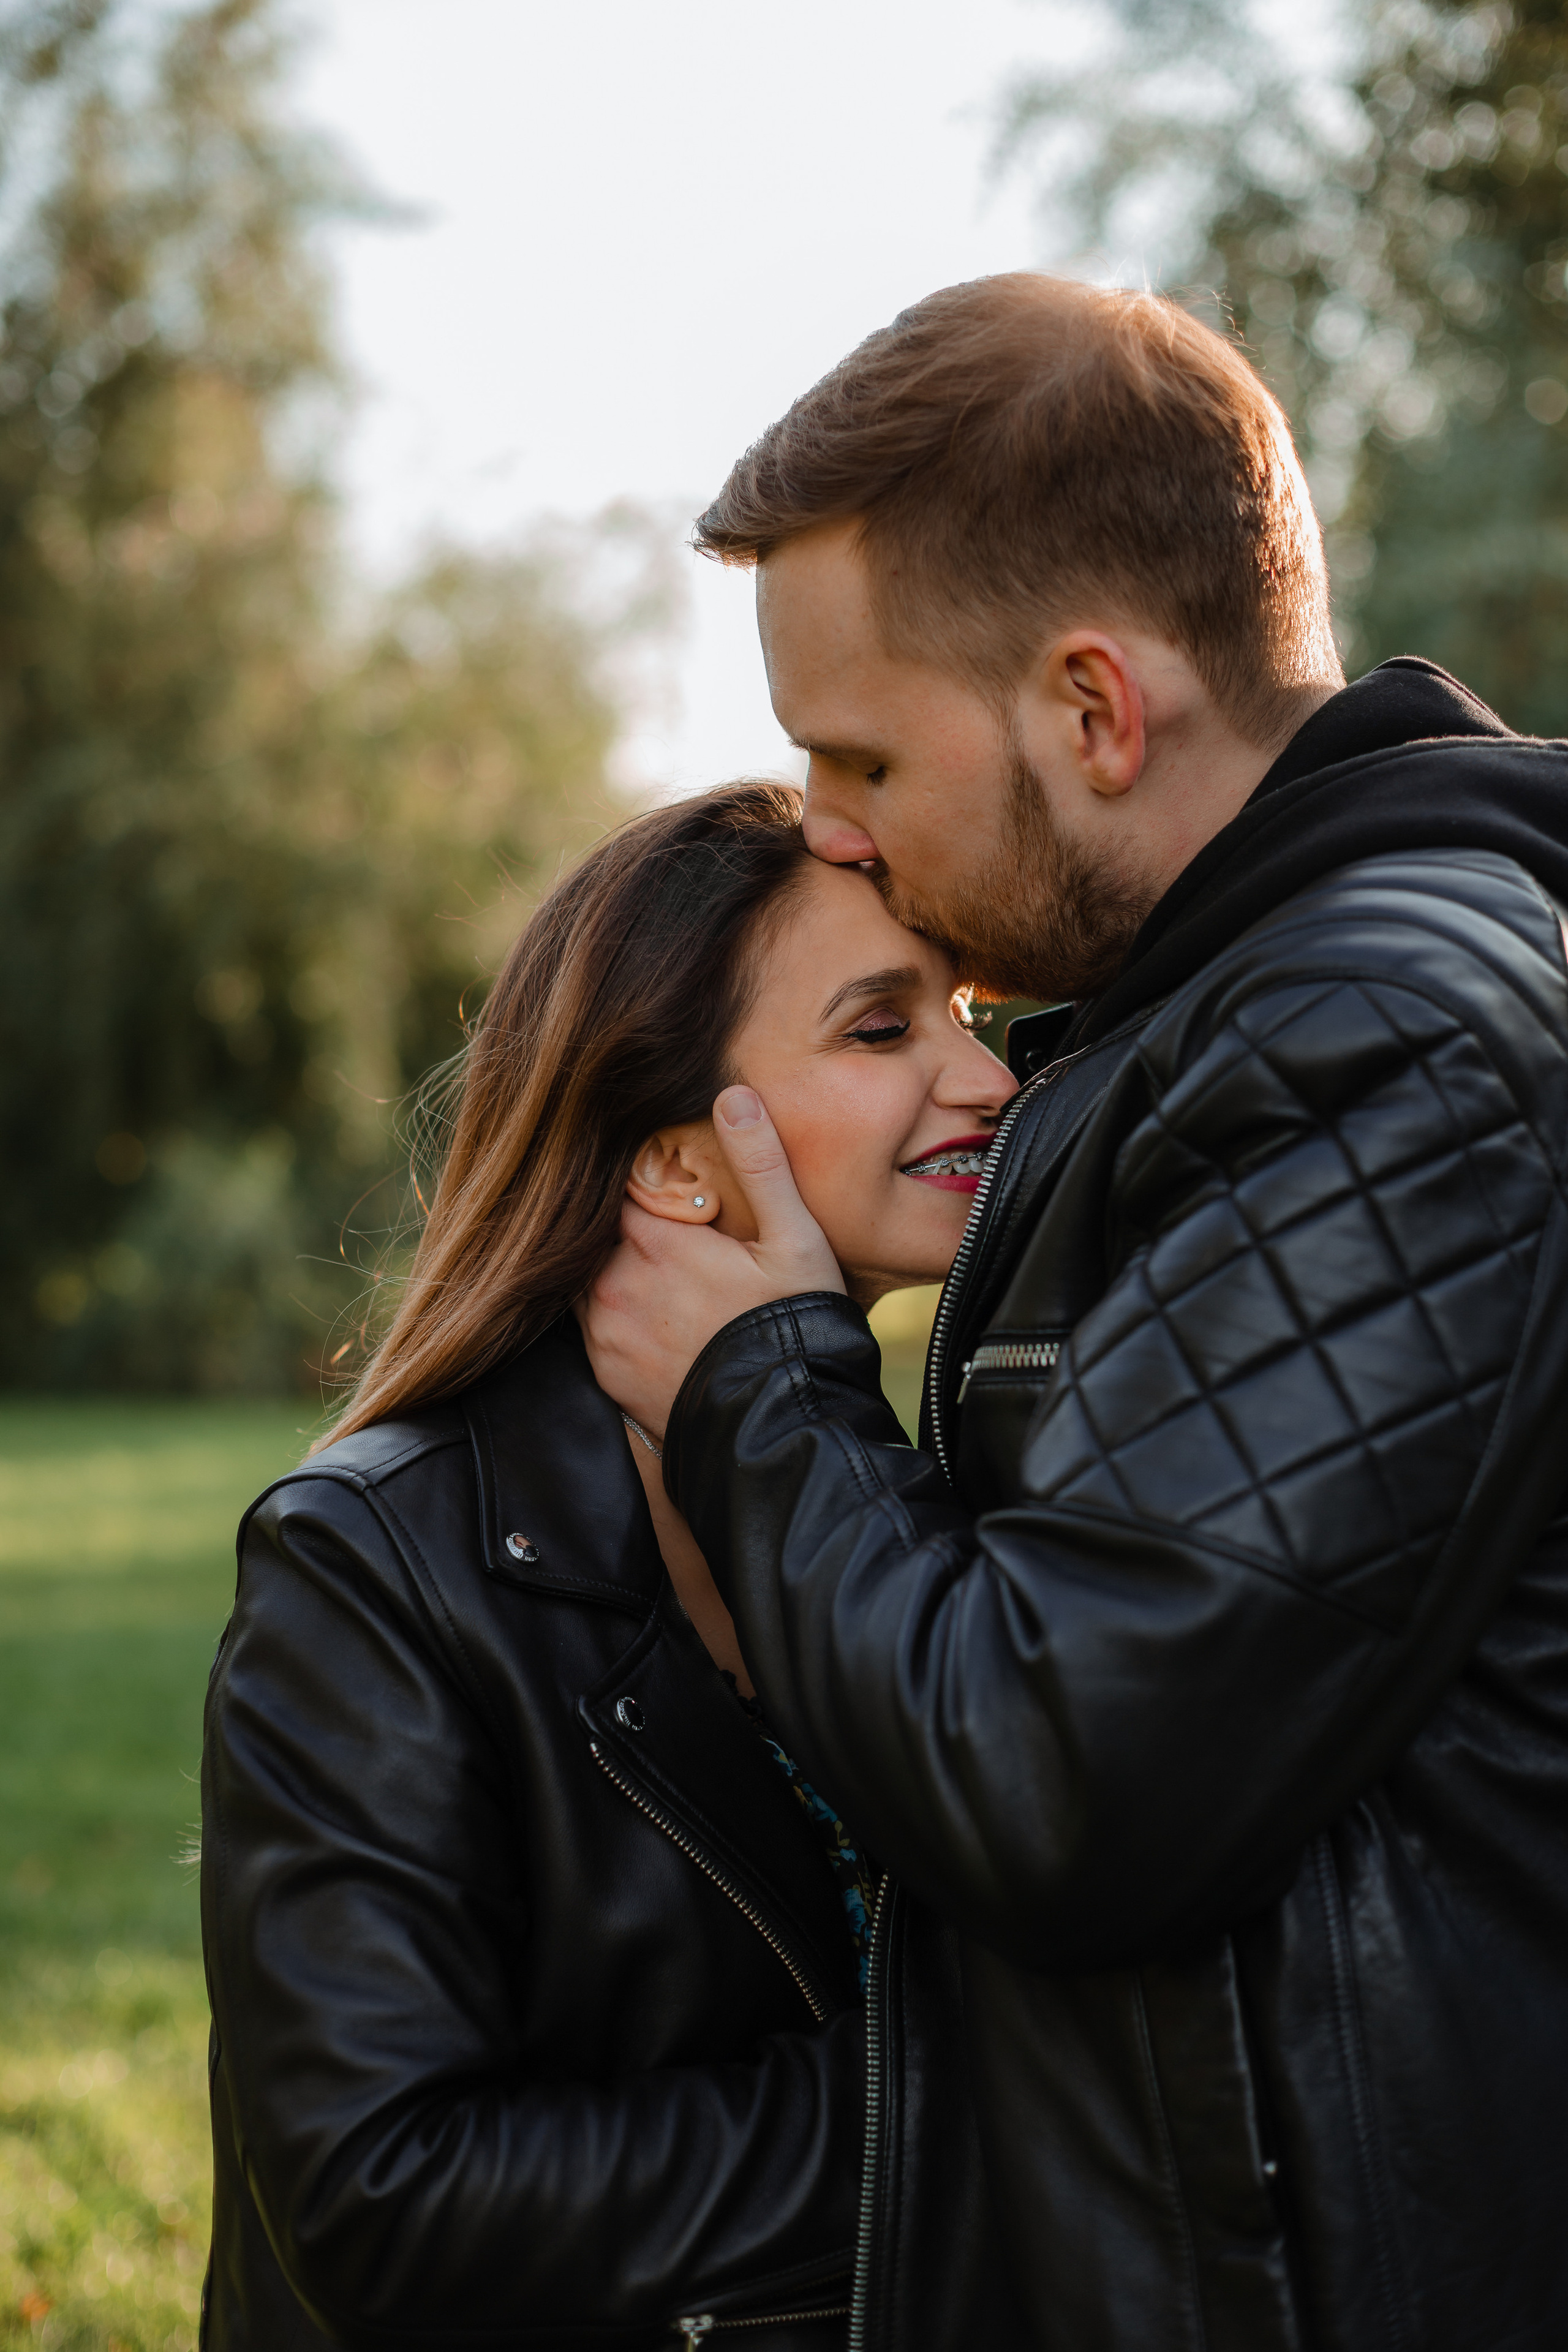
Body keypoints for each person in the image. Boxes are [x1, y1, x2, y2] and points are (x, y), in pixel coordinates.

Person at [582, 273, 1568, 2352]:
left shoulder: (1386, 1035)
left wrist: (756, 1387)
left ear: (1098, 711)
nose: (830, 828)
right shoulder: (1209, 1024)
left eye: (859, 752)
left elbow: (1058, 1777)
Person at [198, 781, 1021, 2351]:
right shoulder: (370, 1567)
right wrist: (984, 2111)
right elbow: (387, 2198)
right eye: (879, 1030)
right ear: (670, 1164)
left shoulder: (909, 1494)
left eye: (966, 1014)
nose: (984, 1076)